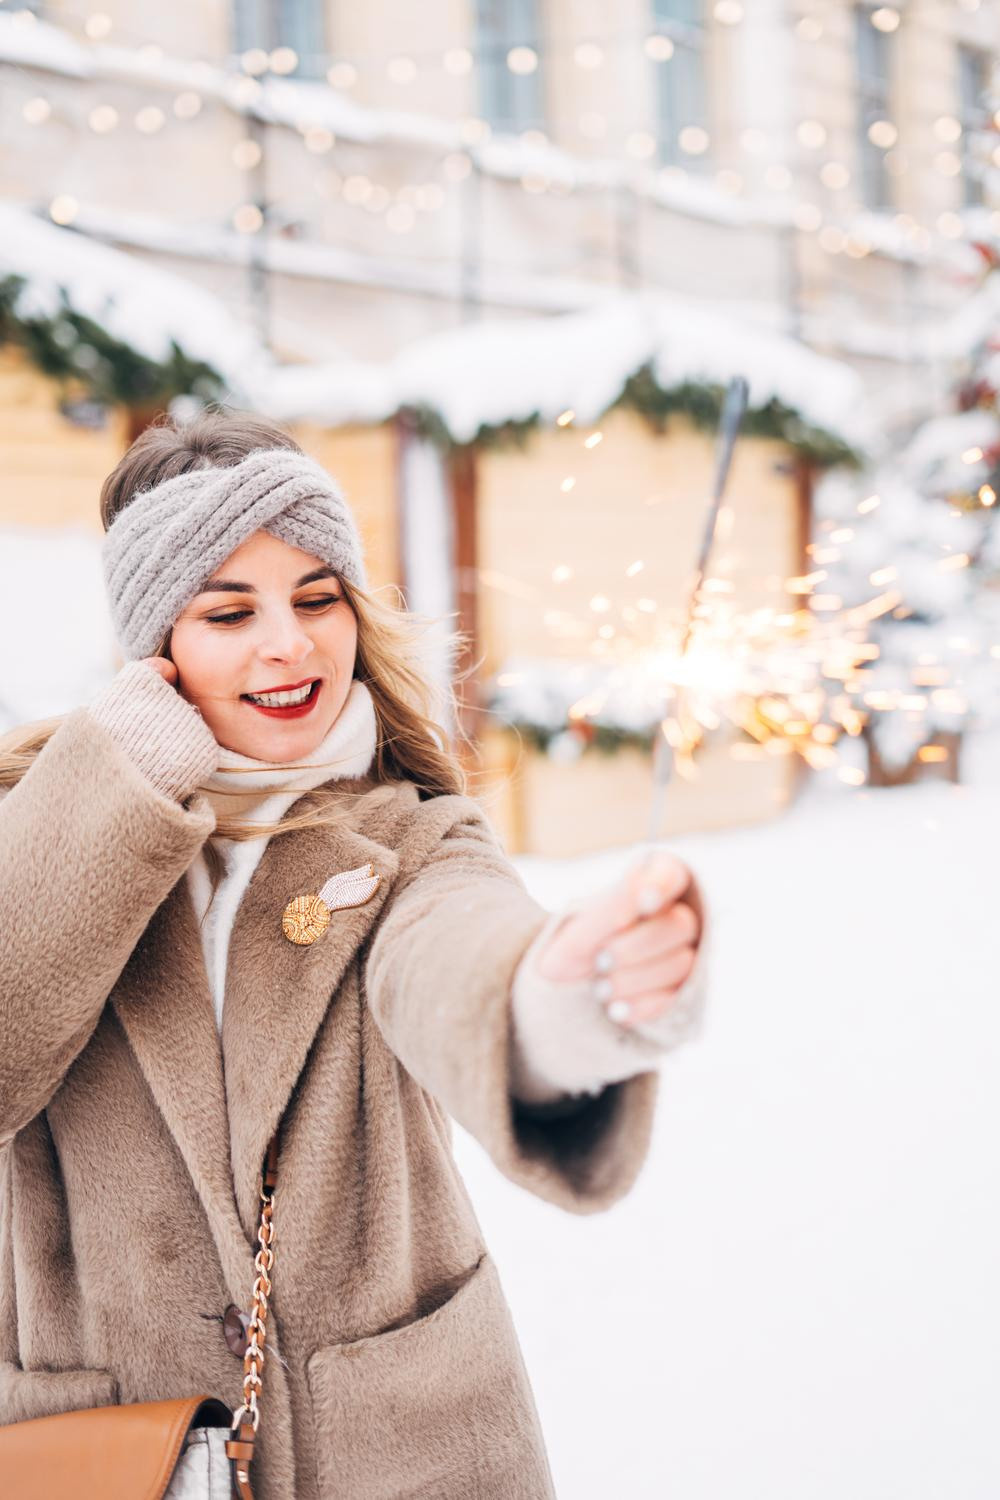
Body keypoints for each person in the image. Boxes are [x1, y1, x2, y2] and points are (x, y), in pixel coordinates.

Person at [0, 405, 710, 1499]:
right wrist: (124, 773)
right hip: (103, 1443)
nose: (289, 643)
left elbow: (458, 955)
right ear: (154, 648)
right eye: (227, 611)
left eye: (316, 597)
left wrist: (567, 995)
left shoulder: (412, 835)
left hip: (399, 1445)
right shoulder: (37, 825)